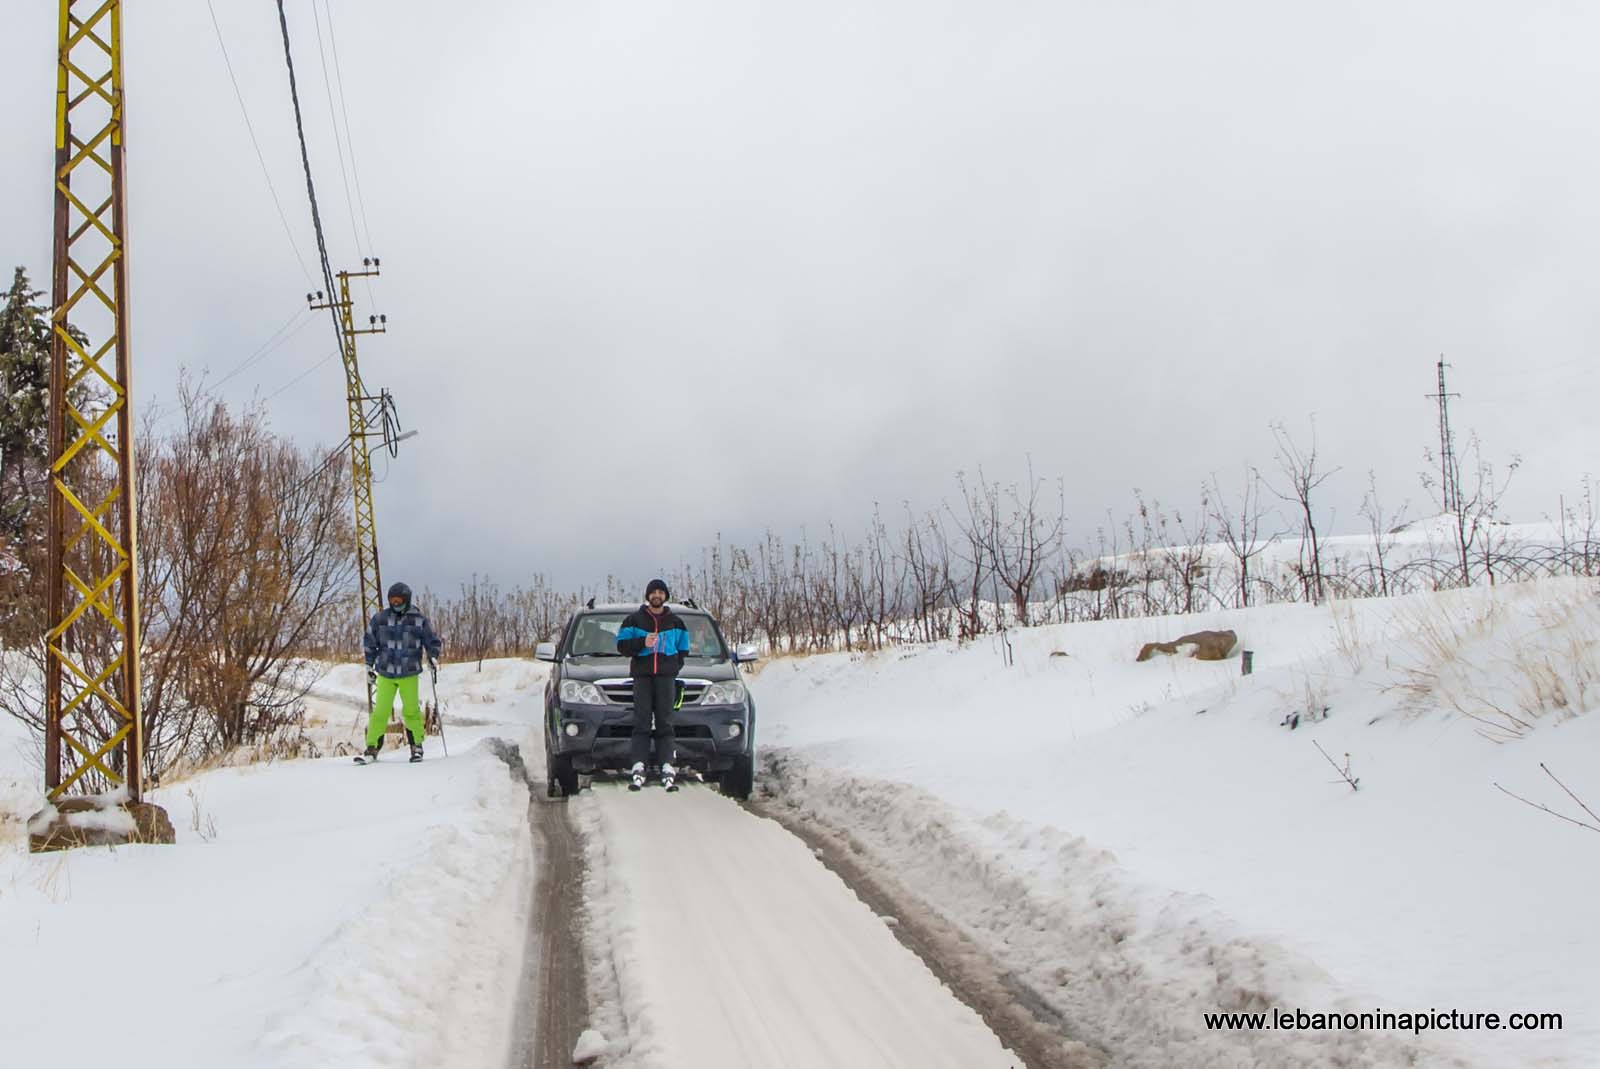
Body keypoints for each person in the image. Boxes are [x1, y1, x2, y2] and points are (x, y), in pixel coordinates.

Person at [615, 578, 690, 790]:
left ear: (666, 596)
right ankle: (639, 763)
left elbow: (684, 648)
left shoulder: (676, 622)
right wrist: (642, 643)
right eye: (653, 592)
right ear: (648, 596)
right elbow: (621, 646)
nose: (657, 595)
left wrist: (674, 666)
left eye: (661, 592)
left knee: (666, 721)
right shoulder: (633, 620)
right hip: (642, 677)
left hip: (666, 678)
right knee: (642, 721)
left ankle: (666, 762)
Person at [360, 581, 443, 763]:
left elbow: (432, 641)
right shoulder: (380, 619)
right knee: (380, 711)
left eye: (399, 600)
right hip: (386, 672)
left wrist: (433, 656)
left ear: (407, 599)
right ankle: (372, 747)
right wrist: (368, 665)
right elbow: (370, 642)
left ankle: (416, 746)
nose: (396, 603)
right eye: (392, 600)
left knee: (411, 711)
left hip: (409, 672)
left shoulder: (418, 619)